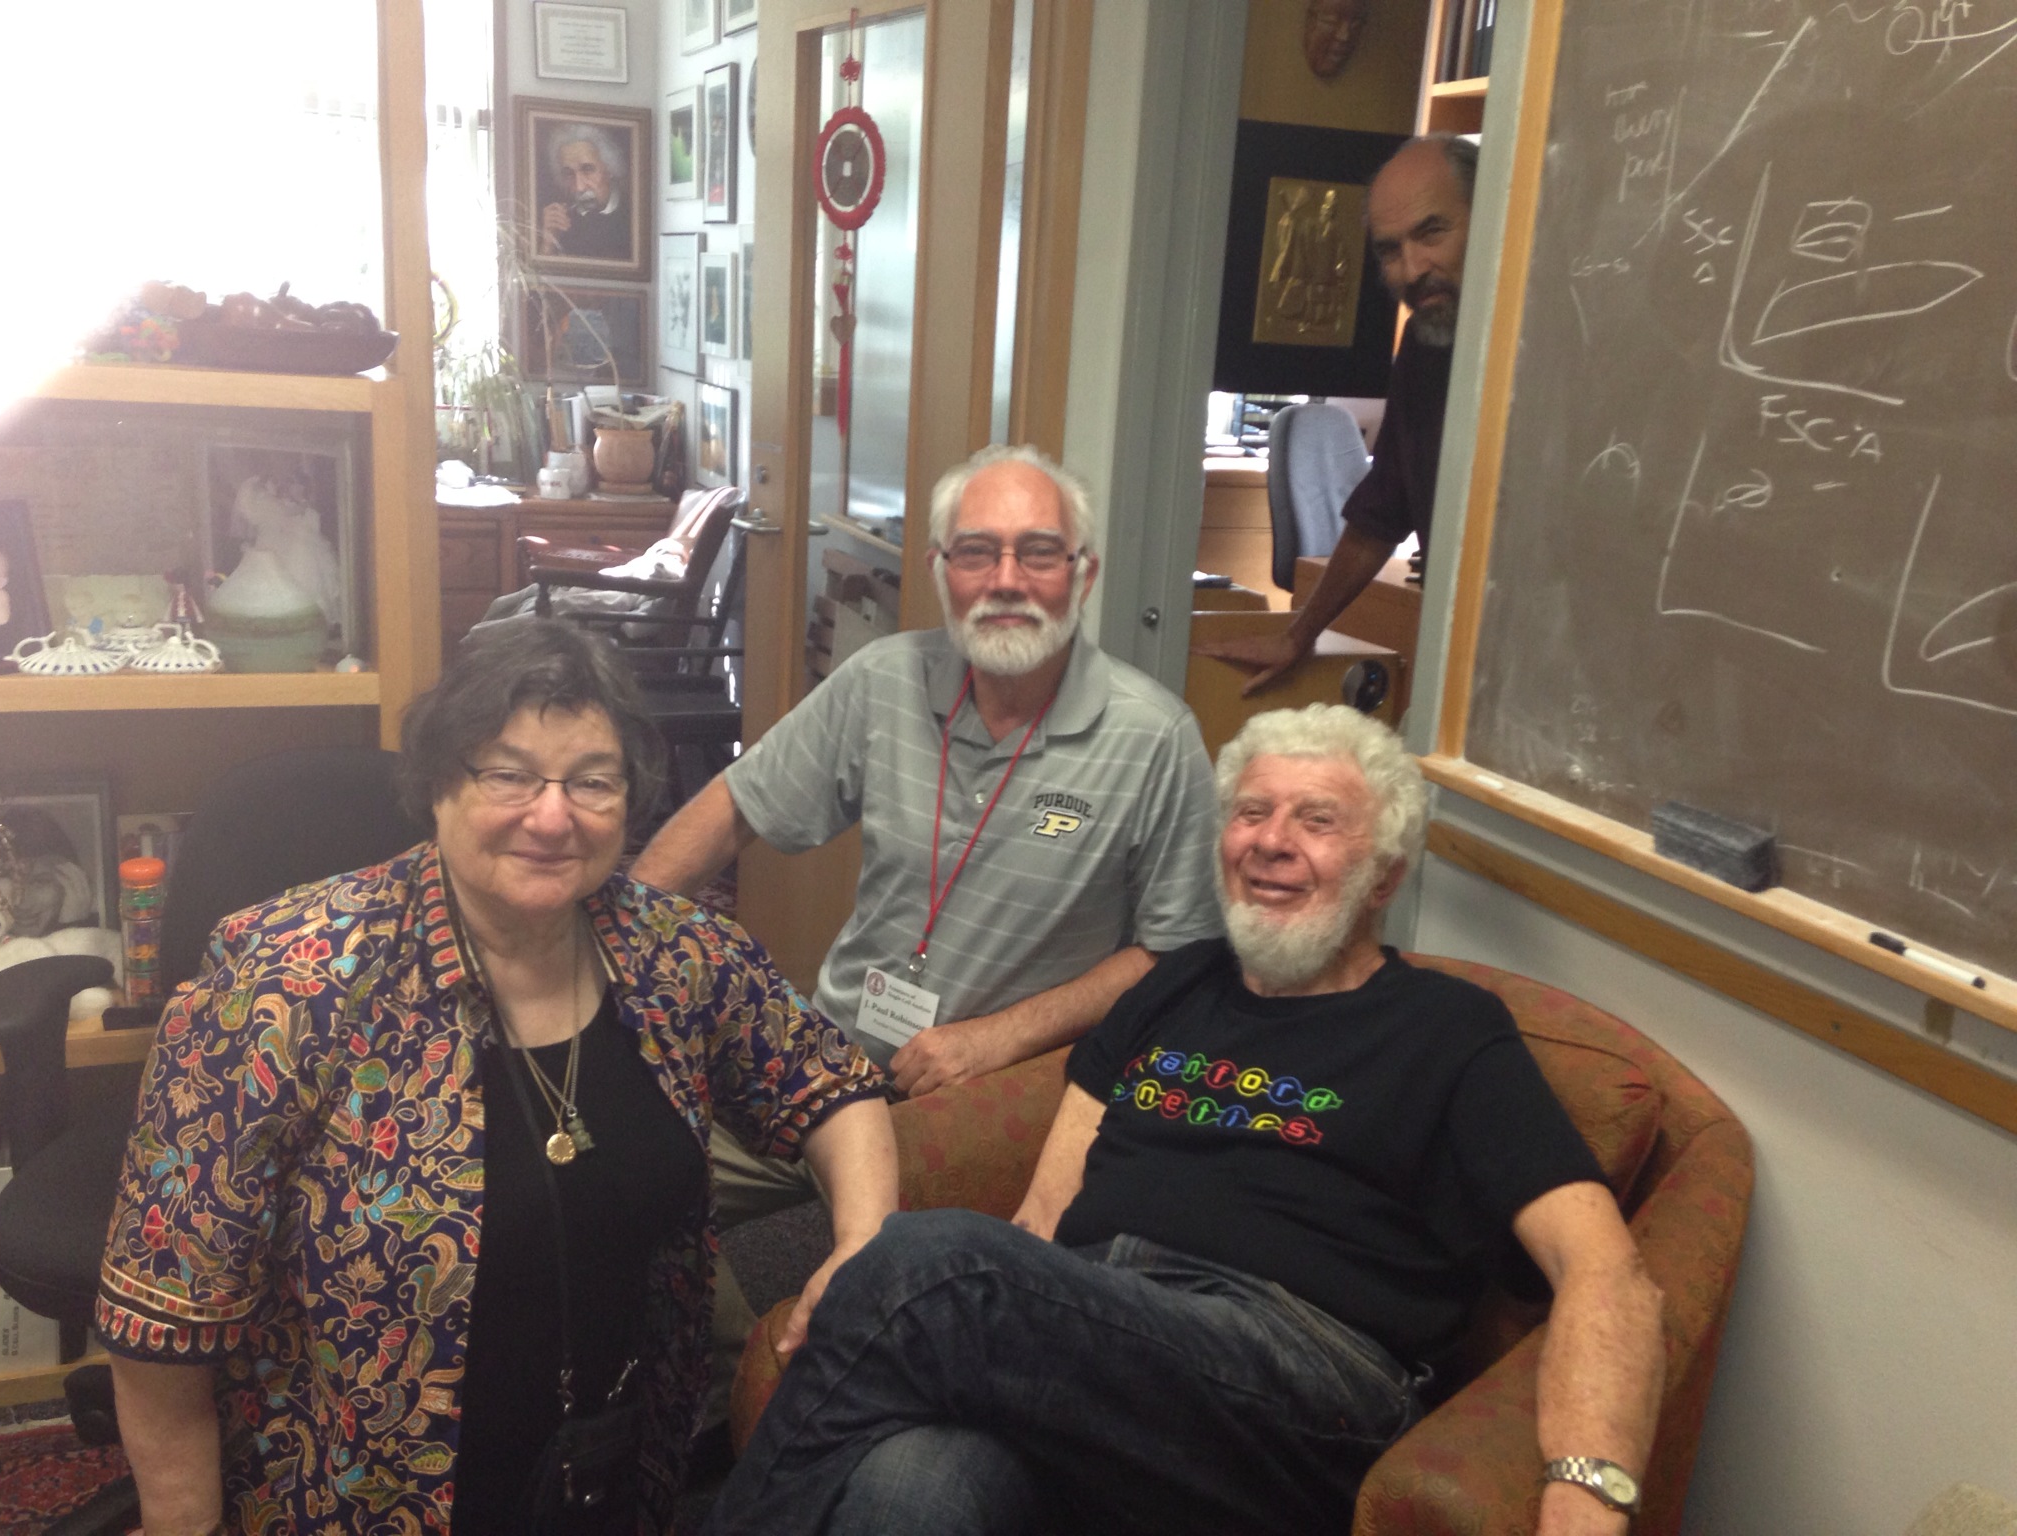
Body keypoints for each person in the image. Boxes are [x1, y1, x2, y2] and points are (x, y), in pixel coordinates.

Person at [708, 703, 1667, 1536]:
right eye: (1251, 812)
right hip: (1106, 1331)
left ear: (1383, 875)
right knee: (916, 1486)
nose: (1271, 840)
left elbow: (1605, 1271)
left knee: (925, 1262)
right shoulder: (1175, 987)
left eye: (1317, 820)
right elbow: (1044, 1217)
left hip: (1301, 1372)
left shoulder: (1449, 1030)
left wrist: (1586, 1492)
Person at [98, 621, 897, 1536]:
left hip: (615, 1467)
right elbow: (163, 1317)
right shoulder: (286, 984)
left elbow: (829, 1082)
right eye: (509, 776)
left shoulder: (675, 951)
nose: (552, 817)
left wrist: (861, 1243)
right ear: (439, 784)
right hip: (361, 1494)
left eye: (591, 781)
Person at [632, 443, 1223, 1381]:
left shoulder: (1155, 739)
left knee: (901, 1322)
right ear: (941, 571)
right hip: (827, 1057)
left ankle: (793, 1380)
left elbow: (1176, 955)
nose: (1006, 580)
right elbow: (734, 806)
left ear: (1084, 574)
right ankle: (740, 1361)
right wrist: (613, 940)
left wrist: (995, 1039)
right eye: (977, 551)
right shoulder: (884, 680)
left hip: (989, 1094)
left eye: (1038, 552)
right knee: (623, 1168)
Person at [1198, 133, 1477, 695]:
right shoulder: (1425, 348)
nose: (1412, 269)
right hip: (1460, 662)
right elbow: (1381, 515)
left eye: (1432, 232)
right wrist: (1298, 634)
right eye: (1390, 251)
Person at [542, 123, 632, 261]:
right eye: (569, 174)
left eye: (588, 169)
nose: (579, 187)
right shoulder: (562, 222)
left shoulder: (632, 215)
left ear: (609, 169)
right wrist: (549, 243)